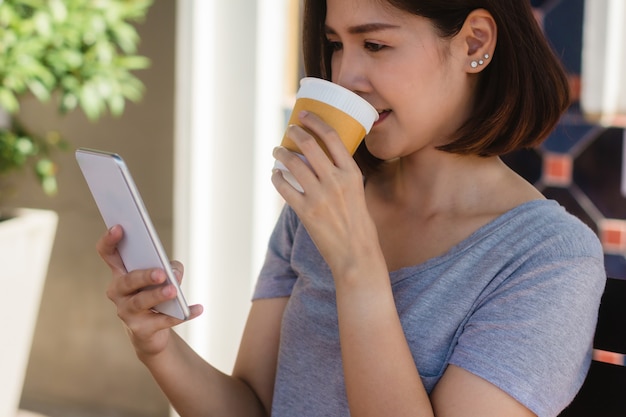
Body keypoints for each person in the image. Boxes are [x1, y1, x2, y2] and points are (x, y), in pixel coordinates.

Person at [98, 0, 606, 416]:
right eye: (335, 45)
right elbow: (252, 407)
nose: (346, 74)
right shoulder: (322, 204)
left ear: (475, 42)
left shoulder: (550, 259)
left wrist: (357, 267)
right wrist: (157, 345)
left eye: (376, 44)